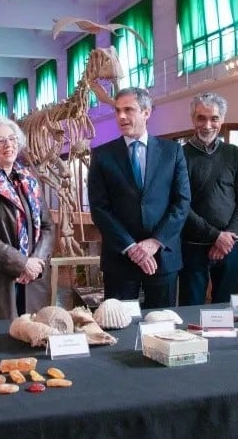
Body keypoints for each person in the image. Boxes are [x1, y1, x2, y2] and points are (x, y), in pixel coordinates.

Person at [88, 87, 190, 309]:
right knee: (119, 326)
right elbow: (99, 208)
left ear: (146, 112)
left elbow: (181, 203)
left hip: (162, 257)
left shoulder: (172, 152)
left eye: (129, 110)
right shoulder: (102, 155)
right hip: (120, 258)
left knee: (163, 327)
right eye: (118, 111)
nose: (121, 116)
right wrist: (131, 247)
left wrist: (154, 242)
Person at [0, 116, 55, 320]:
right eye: (1, 140)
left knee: (33, 338)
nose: (9, 145)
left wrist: (36, 262)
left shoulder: (30, 181)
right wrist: (21, 263)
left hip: (33, 279)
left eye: (13, 139)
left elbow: (48, 226)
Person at [178, 92, 238, 305]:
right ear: (193, 119)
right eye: (201, 118)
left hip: (229, 246)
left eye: (214, 118)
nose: (207, 124)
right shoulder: (179, 155)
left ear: (222, 119)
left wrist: (228, 237)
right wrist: (215, 236)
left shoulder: (234, 154)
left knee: (226, 309)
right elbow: (180, 203)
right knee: (191, 309)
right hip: (192, 246)